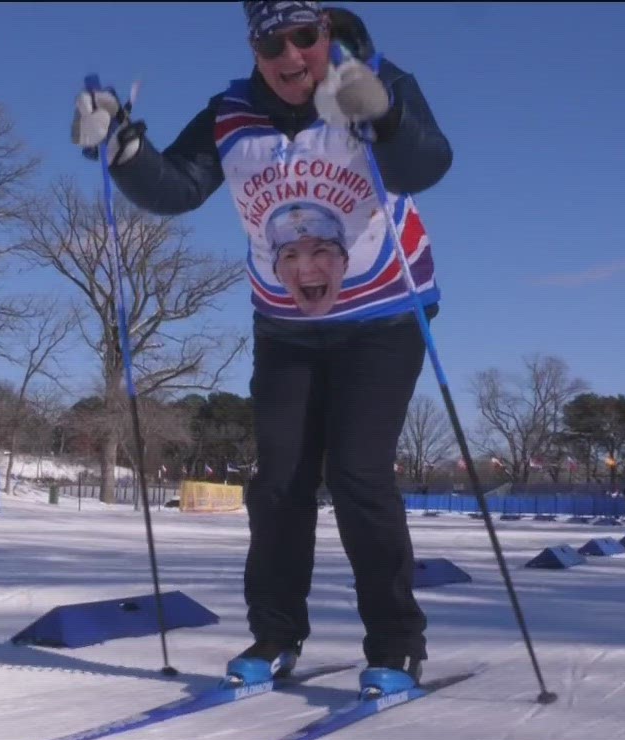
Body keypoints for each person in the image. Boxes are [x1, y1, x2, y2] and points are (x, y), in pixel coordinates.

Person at [72, 0, 453, 696]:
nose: (289, 57)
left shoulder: (373, 78)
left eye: (304, 38)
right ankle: (276, 634)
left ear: (325, 33)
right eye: (271, 43)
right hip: (286, 325)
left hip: (385, 315)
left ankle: (397, 643)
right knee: (279, 481)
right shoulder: (230, 113)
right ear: (254, 48)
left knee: (360, 474)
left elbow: (424, 165)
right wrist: (122, 150)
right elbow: (180, 186)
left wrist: (385, 114)